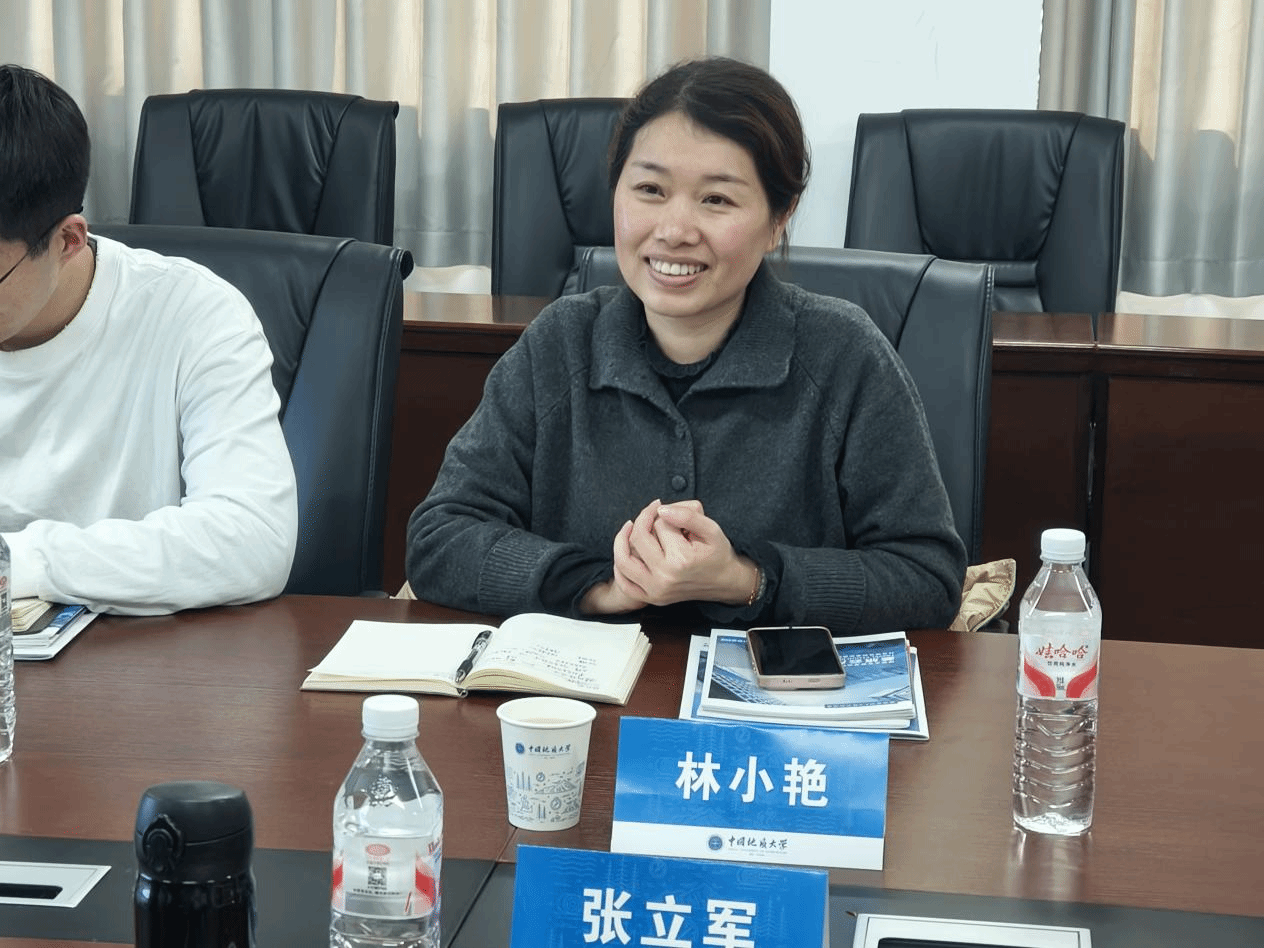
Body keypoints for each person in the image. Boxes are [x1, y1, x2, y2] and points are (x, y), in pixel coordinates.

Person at [407, 57, 965, 633]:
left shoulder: (845, 355)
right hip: (589, 686)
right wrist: (600, 586)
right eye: (650, 189)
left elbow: (927, 577)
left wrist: (746, 580)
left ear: (780, 219)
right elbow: (439, 538)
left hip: (771, 689)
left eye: (716, 200)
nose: (674, 230)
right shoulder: (560, 343)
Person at [0, 64, 298, 615]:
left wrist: (20, 562)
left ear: (67, 241)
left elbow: (253, 538)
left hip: (140, 657)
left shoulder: (195, 315)